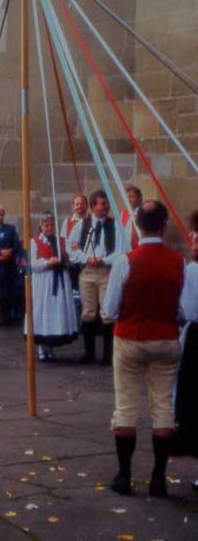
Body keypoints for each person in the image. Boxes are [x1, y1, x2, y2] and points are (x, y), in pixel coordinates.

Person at [103, 200, 183, 497]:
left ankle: (124, 476)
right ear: (164, 226)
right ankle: (158, 478)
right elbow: (186, 309)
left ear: (138, 225)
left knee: (125, 405)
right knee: (163, 407)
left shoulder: (125, 261)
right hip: (166, 339)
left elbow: (111, 309)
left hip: (130, 338)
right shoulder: (179, 262)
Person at [70, 189, 124, 365]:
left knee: (107, 313)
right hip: (87, 272)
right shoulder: (82, 225)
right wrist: (87, 258)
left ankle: (108, 355)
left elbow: (120, 250)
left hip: (106, 272)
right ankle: (89, 352)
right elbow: (72, 248)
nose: (106, 207)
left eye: (107, 203)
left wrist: (104, 259)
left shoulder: (115, 225)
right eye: (102, 203)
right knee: (88, 312)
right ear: (93, 206)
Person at [27, 212, 78, 362]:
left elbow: (72, 255)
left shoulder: (62, 241)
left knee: (54, 312)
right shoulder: (35, 241)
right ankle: (41, 346)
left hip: (60, 280)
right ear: (41, 227)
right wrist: (47, 263)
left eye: (51, 225)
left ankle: (50, 345)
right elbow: (33, 264)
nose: (49, 228)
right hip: (44, 282)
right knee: (44, 311)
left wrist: (71, 256)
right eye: (46, 225)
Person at [174, 223, 198, 470]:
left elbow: (187, 308)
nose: (192, 243)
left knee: (193, 402)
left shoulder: (192, 270)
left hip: (196, 340)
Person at [61, 194, 89, 297]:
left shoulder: (91, 221)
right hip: (72, 263)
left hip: (87, 262)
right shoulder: (67, 222)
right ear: (73, 206)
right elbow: (63, 240)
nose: (79, 207)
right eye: (77, 204)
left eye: (82, 204)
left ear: (87, 206)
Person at [121, 184, 143, 252]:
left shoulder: (145, 212)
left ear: (139, 198)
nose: (128, 200)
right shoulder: (123, 213)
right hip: (125, 252)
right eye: (127, 197)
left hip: (139, 251)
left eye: (131, 197)